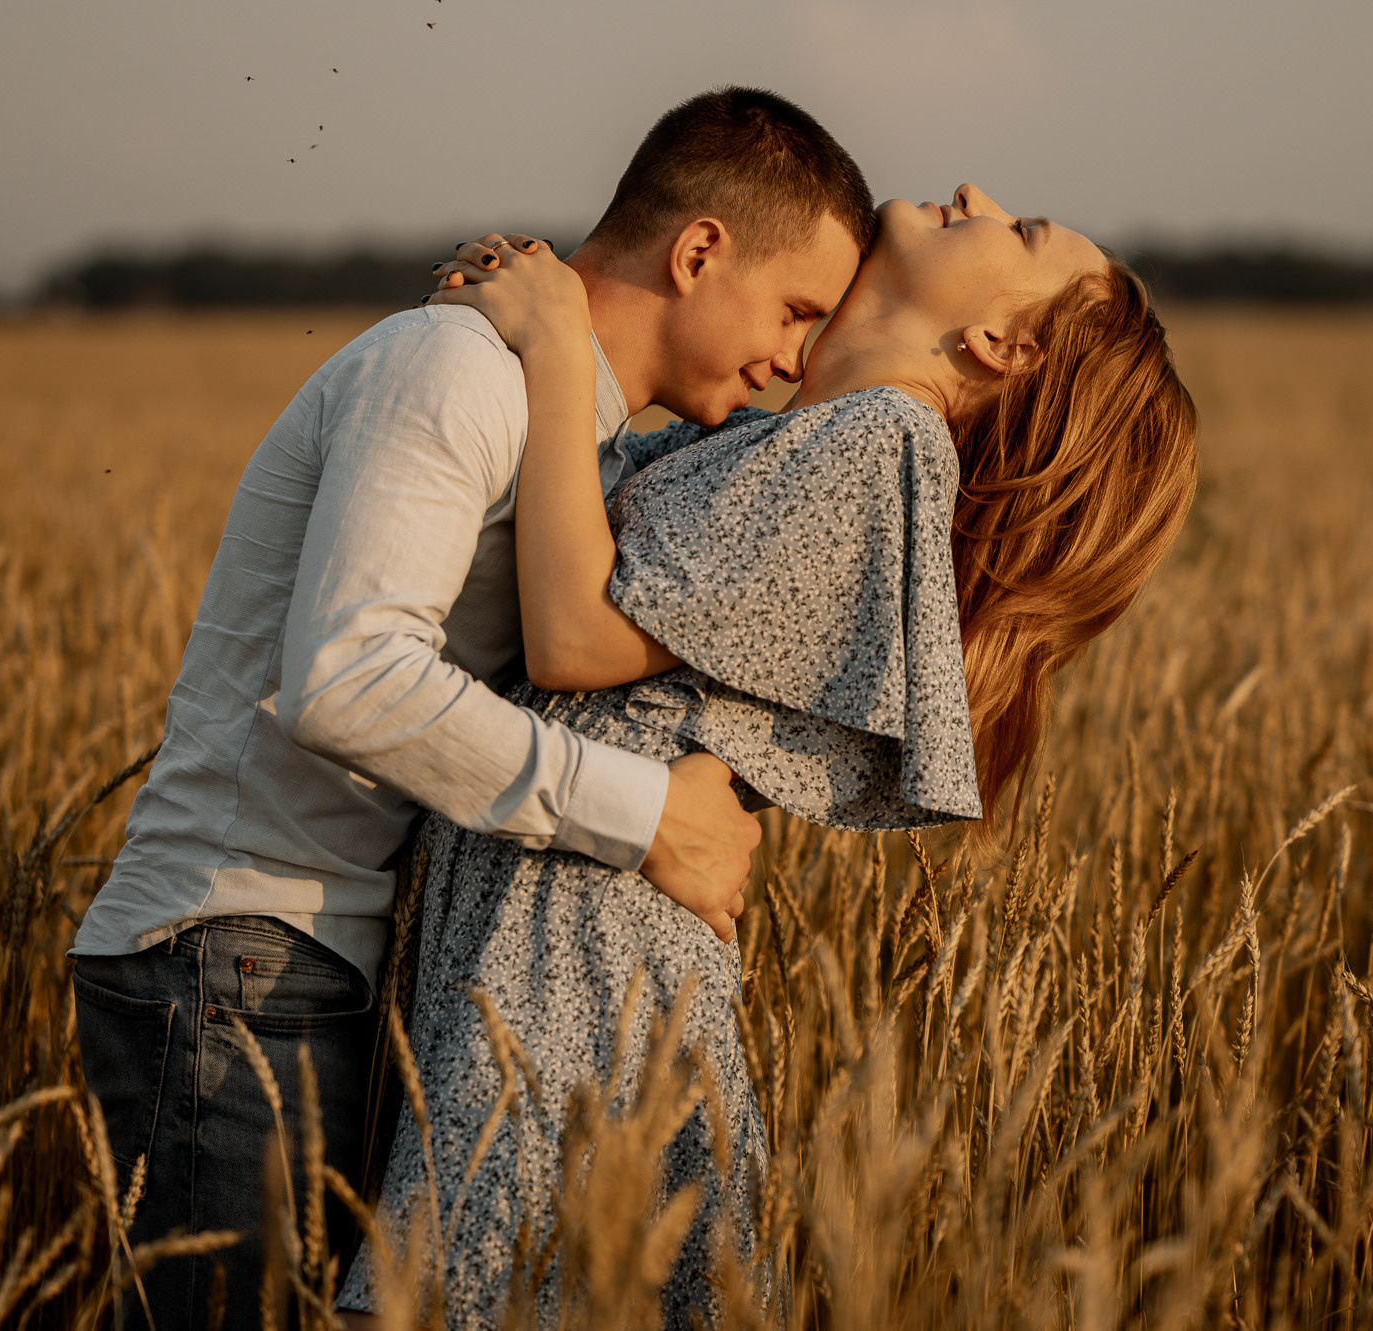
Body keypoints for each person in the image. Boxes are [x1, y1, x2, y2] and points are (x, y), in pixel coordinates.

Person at [67, 87, 875, 1330]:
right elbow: (351, 676)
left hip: (312, 969)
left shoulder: (569, 435)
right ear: (698, 250)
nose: (795, 358)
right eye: (795, 310)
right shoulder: (452, 365)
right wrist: (646, 812)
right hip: (231, 957)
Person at [339, 183, 1198, 1328]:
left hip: (576, 929)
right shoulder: (815, 439)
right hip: (570, 887)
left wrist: (553, 339)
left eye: (1021, 229)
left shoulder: (877, 439)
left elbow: (575, 635)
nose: (977, 197)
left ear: (999, 344)